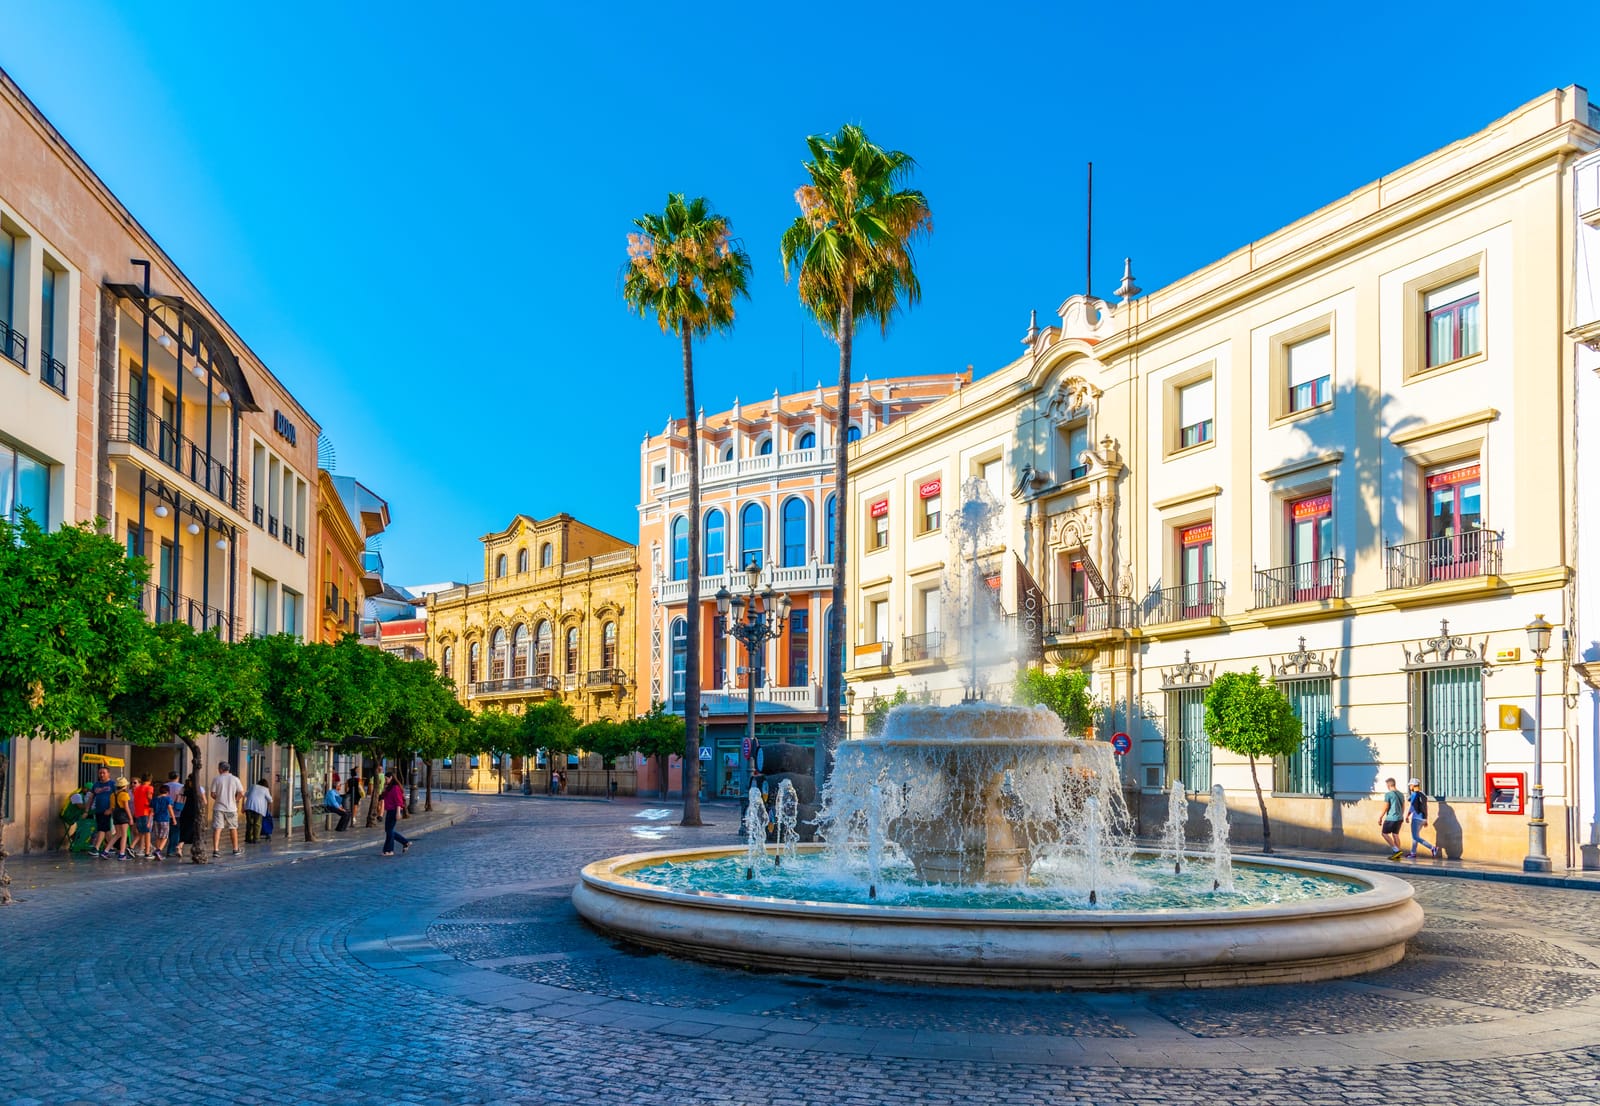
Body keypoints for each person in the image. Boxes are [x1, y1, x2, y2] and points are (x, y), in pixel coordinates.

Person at [210, 762, 245, 858]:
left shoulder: (216, 779)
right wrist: (235, 800)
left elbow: (212, 794)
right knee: (233, 828)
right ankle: (235, 849)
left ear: (220, 769)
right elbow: (241, 793)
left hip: (219, 808)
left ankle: (216, 850)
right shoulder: (235, 779)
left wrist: (219, 798)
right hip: (231, 808)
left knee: (218, 828)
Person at [1406, 778, 1443, 859]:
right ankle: (1413, 853)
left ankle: (1432, 848)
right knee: (1415, 836)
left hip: (1416, 818)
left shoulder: (1414, 794)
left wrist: (1407, 815)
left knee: (1415, 837)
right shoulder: (1423, 794)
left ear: (1413, 785)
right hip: (1423, 818)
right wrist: (1426, 819)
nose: (1409, 787)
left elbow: (1412, 806)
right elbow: (1425, 807)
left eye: (1410, 785)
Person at [87, 766, 115, 858]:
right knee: (106, 829)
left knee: (101, 829)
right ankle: (110, 847)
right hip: (98, 810)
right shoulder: (96, 785)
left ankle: (96, 847)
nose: (102, 775)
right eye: (100, 773)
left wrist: (111, 809)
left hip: (107, 810)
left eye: (104, 773)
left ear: (108, 774)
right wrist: (87, 809)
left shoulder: (112, 784)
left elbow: (116, 797)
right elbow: (91, 797)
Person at [380, 772, 410, 856]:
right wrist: (384, 788)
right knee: (389, 830)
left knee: (389, 831)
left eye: (386, 779)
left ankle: (389, 850)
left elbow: (398, 801)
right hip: (389, 810)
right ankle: (405, 842)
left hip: (394, 810)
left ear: (391, 778)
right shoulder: (389, 787)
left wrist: (398, 812)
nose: (385, 781)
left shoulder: (396, 788)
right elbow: (383, 796)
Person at [1379, 777, 1405, 860]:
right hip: (1400, 817)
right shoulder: (1401, 794)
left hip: (1391, 818)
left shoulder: (1388, 794)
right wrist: (1401, 815)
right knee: (1395, 834)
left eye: (1387, 785)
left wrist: (1380, 817)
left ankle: (1396, 850)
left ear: (1389, 785)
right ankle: (1397, 854)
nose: (1386, 786)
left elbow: (1386, 807)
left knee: (1384, 833)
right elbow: (1403, 806)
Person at [107, 777, 133, 860]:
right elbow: (126, 807)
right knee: (124, 834)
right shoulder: (124, 795)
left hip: (115, 814)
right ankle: (122, 853)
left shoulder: (112, 795)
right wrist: (130, 818)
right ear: (124, 786)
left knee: (118, 834)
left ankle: (106, 850)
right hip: (123, 815)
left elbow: (111, 807)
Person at [176, 773, 200, 860]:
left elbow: (178, 798)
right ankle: (193, 850)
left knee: (184, 830)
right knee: (194, 831)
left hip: (184, 811)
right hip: (194, 812)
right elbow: (204, 801)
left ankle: (180, 846)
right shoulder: (198, 789)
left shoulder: (184, 788)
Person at [131, 774, 155, 859]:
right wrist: (153, 804)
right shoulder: (149, 788)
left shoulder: (137, 789)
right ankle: (147, 852)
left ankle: (131, 847)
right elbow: (149, 797)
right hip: (146, 811)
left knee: (141, 832)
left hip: (138, 812)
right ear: (150, 780)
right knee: (147, 832)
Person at [150, 783, 175, 862]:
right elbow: (170, 809)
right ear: (167, 792)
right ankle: (159, 850)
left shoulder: (154, 799)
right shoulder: (168, 799)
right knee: (165, 836)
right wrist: (173, 819)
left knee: (158, 836)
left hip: (156, 819)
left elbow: (152, 811)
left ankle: (158, 854)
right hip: (164, 819)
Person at [243, 778, 272, 845]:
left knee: (249, 823)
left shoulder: (253, 786)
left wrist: (243, 807)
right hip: (258, 808)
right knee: (257, 824)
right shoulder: (265, 789)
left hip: (249, 807)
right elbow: (270, 800)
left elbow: (245, 795)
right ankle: (256, 839)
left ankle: (248, 838)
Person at [59, 787, 87, 851]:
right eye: (88, 791)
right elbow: (80, 806)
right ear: (84, 789)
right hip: (68, 815)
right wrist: (90, 804)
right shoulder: (77, 795)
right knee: (85, 823)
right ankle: (76, 838)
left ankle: (78, 838)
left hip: (74, 815)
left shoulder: (82, 796)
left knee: (87, 822)